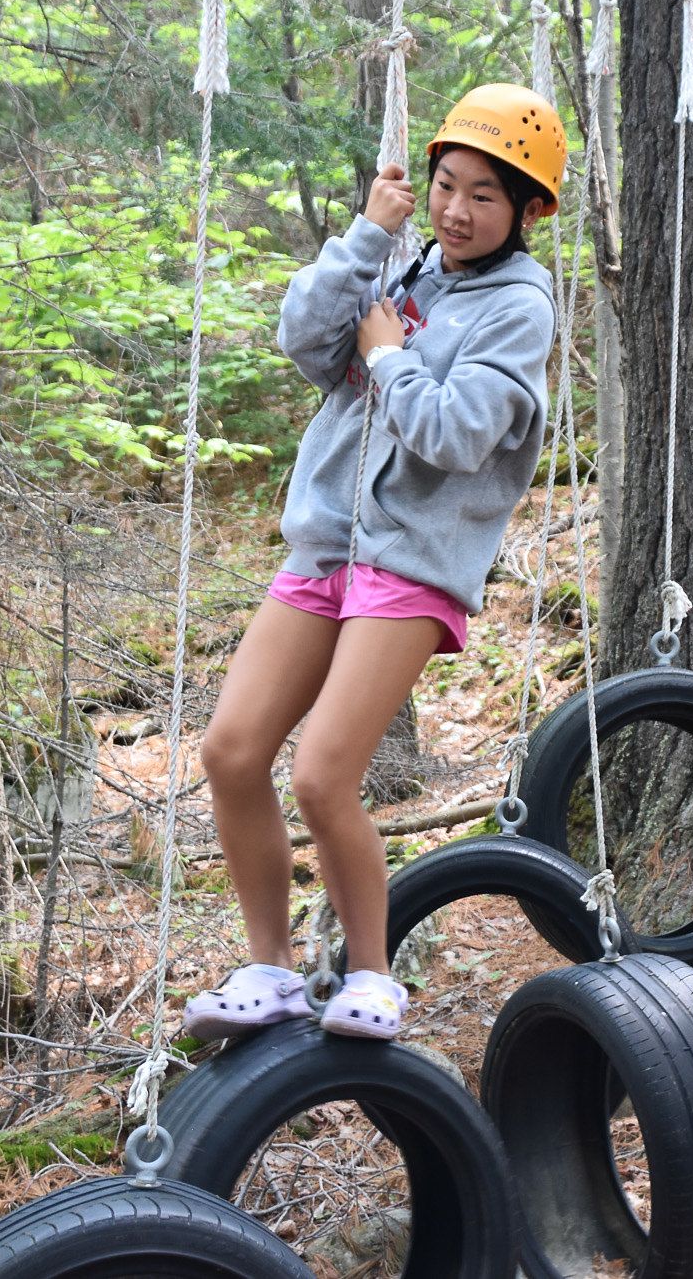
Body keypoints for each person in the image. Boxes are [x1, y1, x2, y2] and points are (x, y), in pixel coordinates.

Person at [182, 83, 566, 1042]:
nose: (456, 210)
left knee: (322, 775)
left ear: (526, 212)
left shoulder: (519, 308)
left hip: (411, 561)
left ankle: (371, 976)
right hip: (327, 544)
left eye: (485, 195)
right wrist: (363, 239)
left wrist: (393, 357)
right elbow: (304, 338)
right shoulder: (404, 266)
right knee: (231, 751)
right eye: (446, 184)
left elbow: (456, 431)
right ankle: (269, 969)